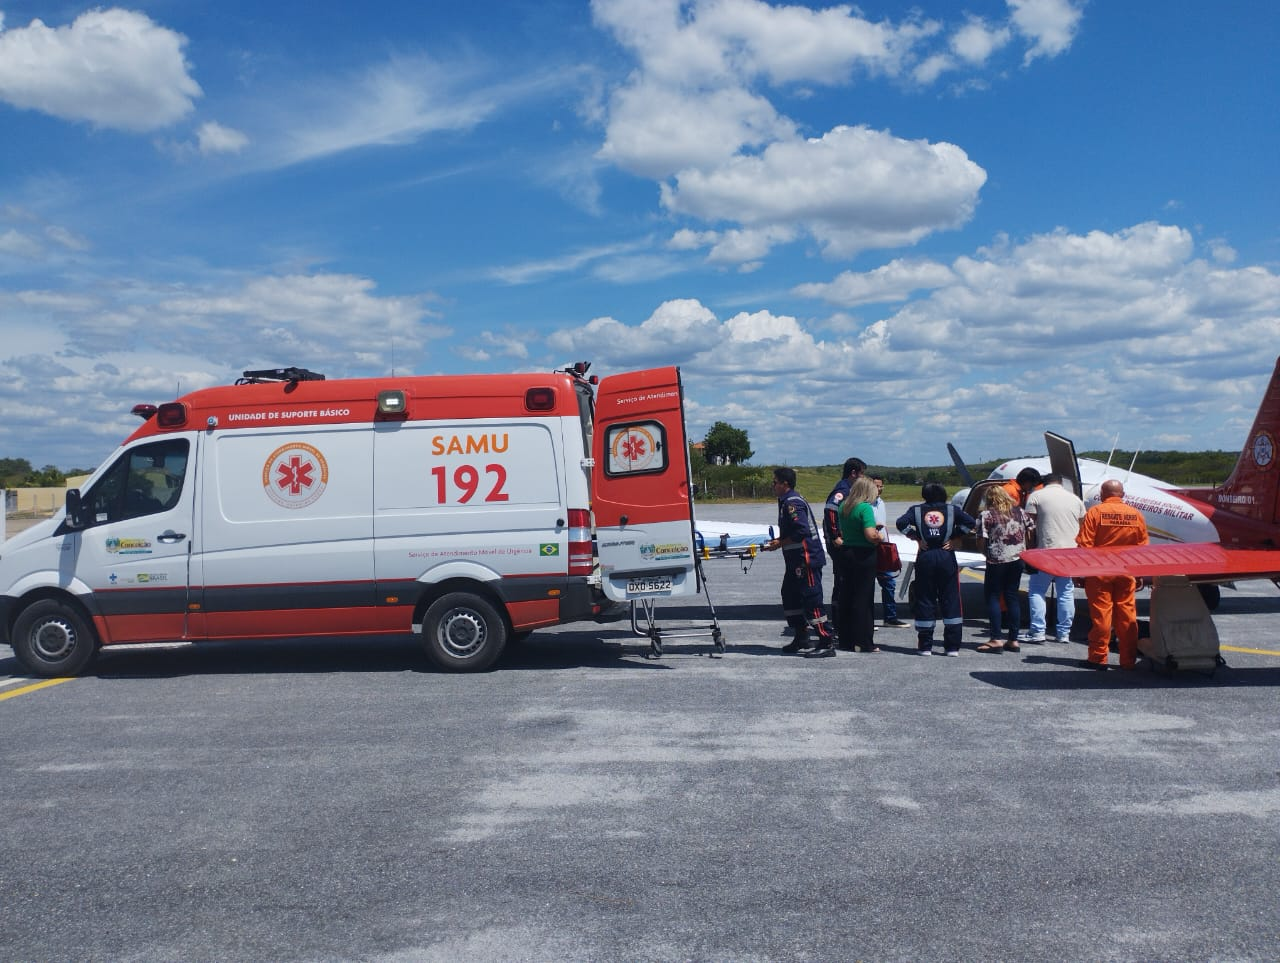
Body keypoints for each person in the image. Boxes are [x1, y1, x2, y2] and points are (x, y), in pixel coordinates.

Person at [1076, 479, 1149, 670]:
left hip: (1099, 572)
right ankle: (1128, 659)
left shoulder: (1095, 512)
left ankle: (1098, 658)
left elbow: (1085, 545)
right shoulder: (1135, 515)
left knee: (1101, 616)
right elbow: (1142, 549)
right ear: (1122, 495)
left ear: (1101, 495)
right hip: (1125, 572)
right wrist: (1139, 573)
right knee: (1127, 617)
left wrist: (1080, 572)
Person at [763, 467, 836, 657]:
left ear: (784, 484)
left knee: (812, 599)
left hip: (806, 560)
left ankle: (826, 640)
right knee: (790, 595)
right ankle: (801, 635)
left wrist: (779, 543)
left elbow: (801, 531)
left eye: (775, 482)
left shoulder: (792, 503)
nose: (773, 486)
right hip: (795, 561)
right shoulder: (785, 502)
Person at [896, 483, 976, 656]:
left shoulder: (916, 510)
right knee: (951, 598)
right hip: (946, 555)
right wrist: (955, 537)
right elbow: (970, 522)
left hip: (926, 555)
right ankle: (952, 647)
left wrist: (916, 537)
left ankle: (925, 646)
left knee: (925, 598)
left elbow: (901, 523)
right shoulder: (952, 509)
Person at [1022, 472, 1086, 643]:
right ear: (1061, 483)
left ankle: (1037, 631)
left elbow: (1029, 528)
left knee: (1037, 590)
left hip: (1046, 551)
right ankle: (1064, 633)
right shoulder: (1075, 499)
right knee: (1065, 593)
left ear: (1044, 483)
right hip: (1069, 553)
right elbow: (1081, 526)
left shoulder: (1036, 496)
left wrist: (1029, 551)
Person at [974, 486, 1033, 652]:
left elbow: (980, 538)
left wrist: (985, 552)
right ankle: (1013, 639)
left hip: (996, 559)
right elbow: (1030, 530)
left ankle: (996, 638)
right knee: (1012, 596)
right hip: (1017, 557)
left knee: (993, 596)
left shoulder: (987, 515)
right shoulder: (1019, 512)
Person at [835, 476, 884, 652]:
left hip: (846, 552)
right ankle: (864, 641)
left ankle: (845, 640)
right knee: (864, 598)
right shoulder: (865, 508)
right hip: (863, 555)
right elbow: (870, 535)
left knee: (847, 596)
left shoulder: (844, 506)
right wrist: (880, 536)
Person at [822, 457, 867, 639]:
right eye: (861, 474)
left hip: (843, 541)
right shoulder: (842, 490)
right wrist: (835, 537)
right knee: (842, 581)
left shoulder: (848, 489)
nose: (862, 478)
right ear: (853, 473)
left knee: (843, 581)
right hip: (839, 543)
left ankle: (842, 621)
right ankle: (840, 623)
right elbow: (830, 509)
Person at [869, 474, 908, 626]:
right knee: (868, 585)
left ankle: (890, 617)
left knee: (889, 583)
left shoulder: (881, 502)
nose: (879, 489)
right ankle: (868, 619)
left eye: (881, 486)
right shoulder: (864, 504)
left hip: (883, 547)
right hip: (869, 547)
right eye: (876, 486)